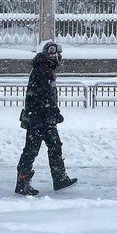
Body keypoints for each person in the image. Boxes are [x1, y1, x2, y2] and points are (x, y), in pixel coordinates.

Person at [15, 40, 78, 196]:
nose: (60, 58)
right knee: (32, 150)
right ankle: (24, 182)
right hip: (40, 118)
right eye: (59, 54)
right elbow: (44, 96)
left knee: (51, 146)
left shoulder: (44, 68)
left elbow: (45, 96)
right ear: (53, 54)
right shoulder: (44, 70)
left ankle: (59, 178)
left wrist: (53, 112)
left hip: (41, 117)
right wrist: (54, 111)